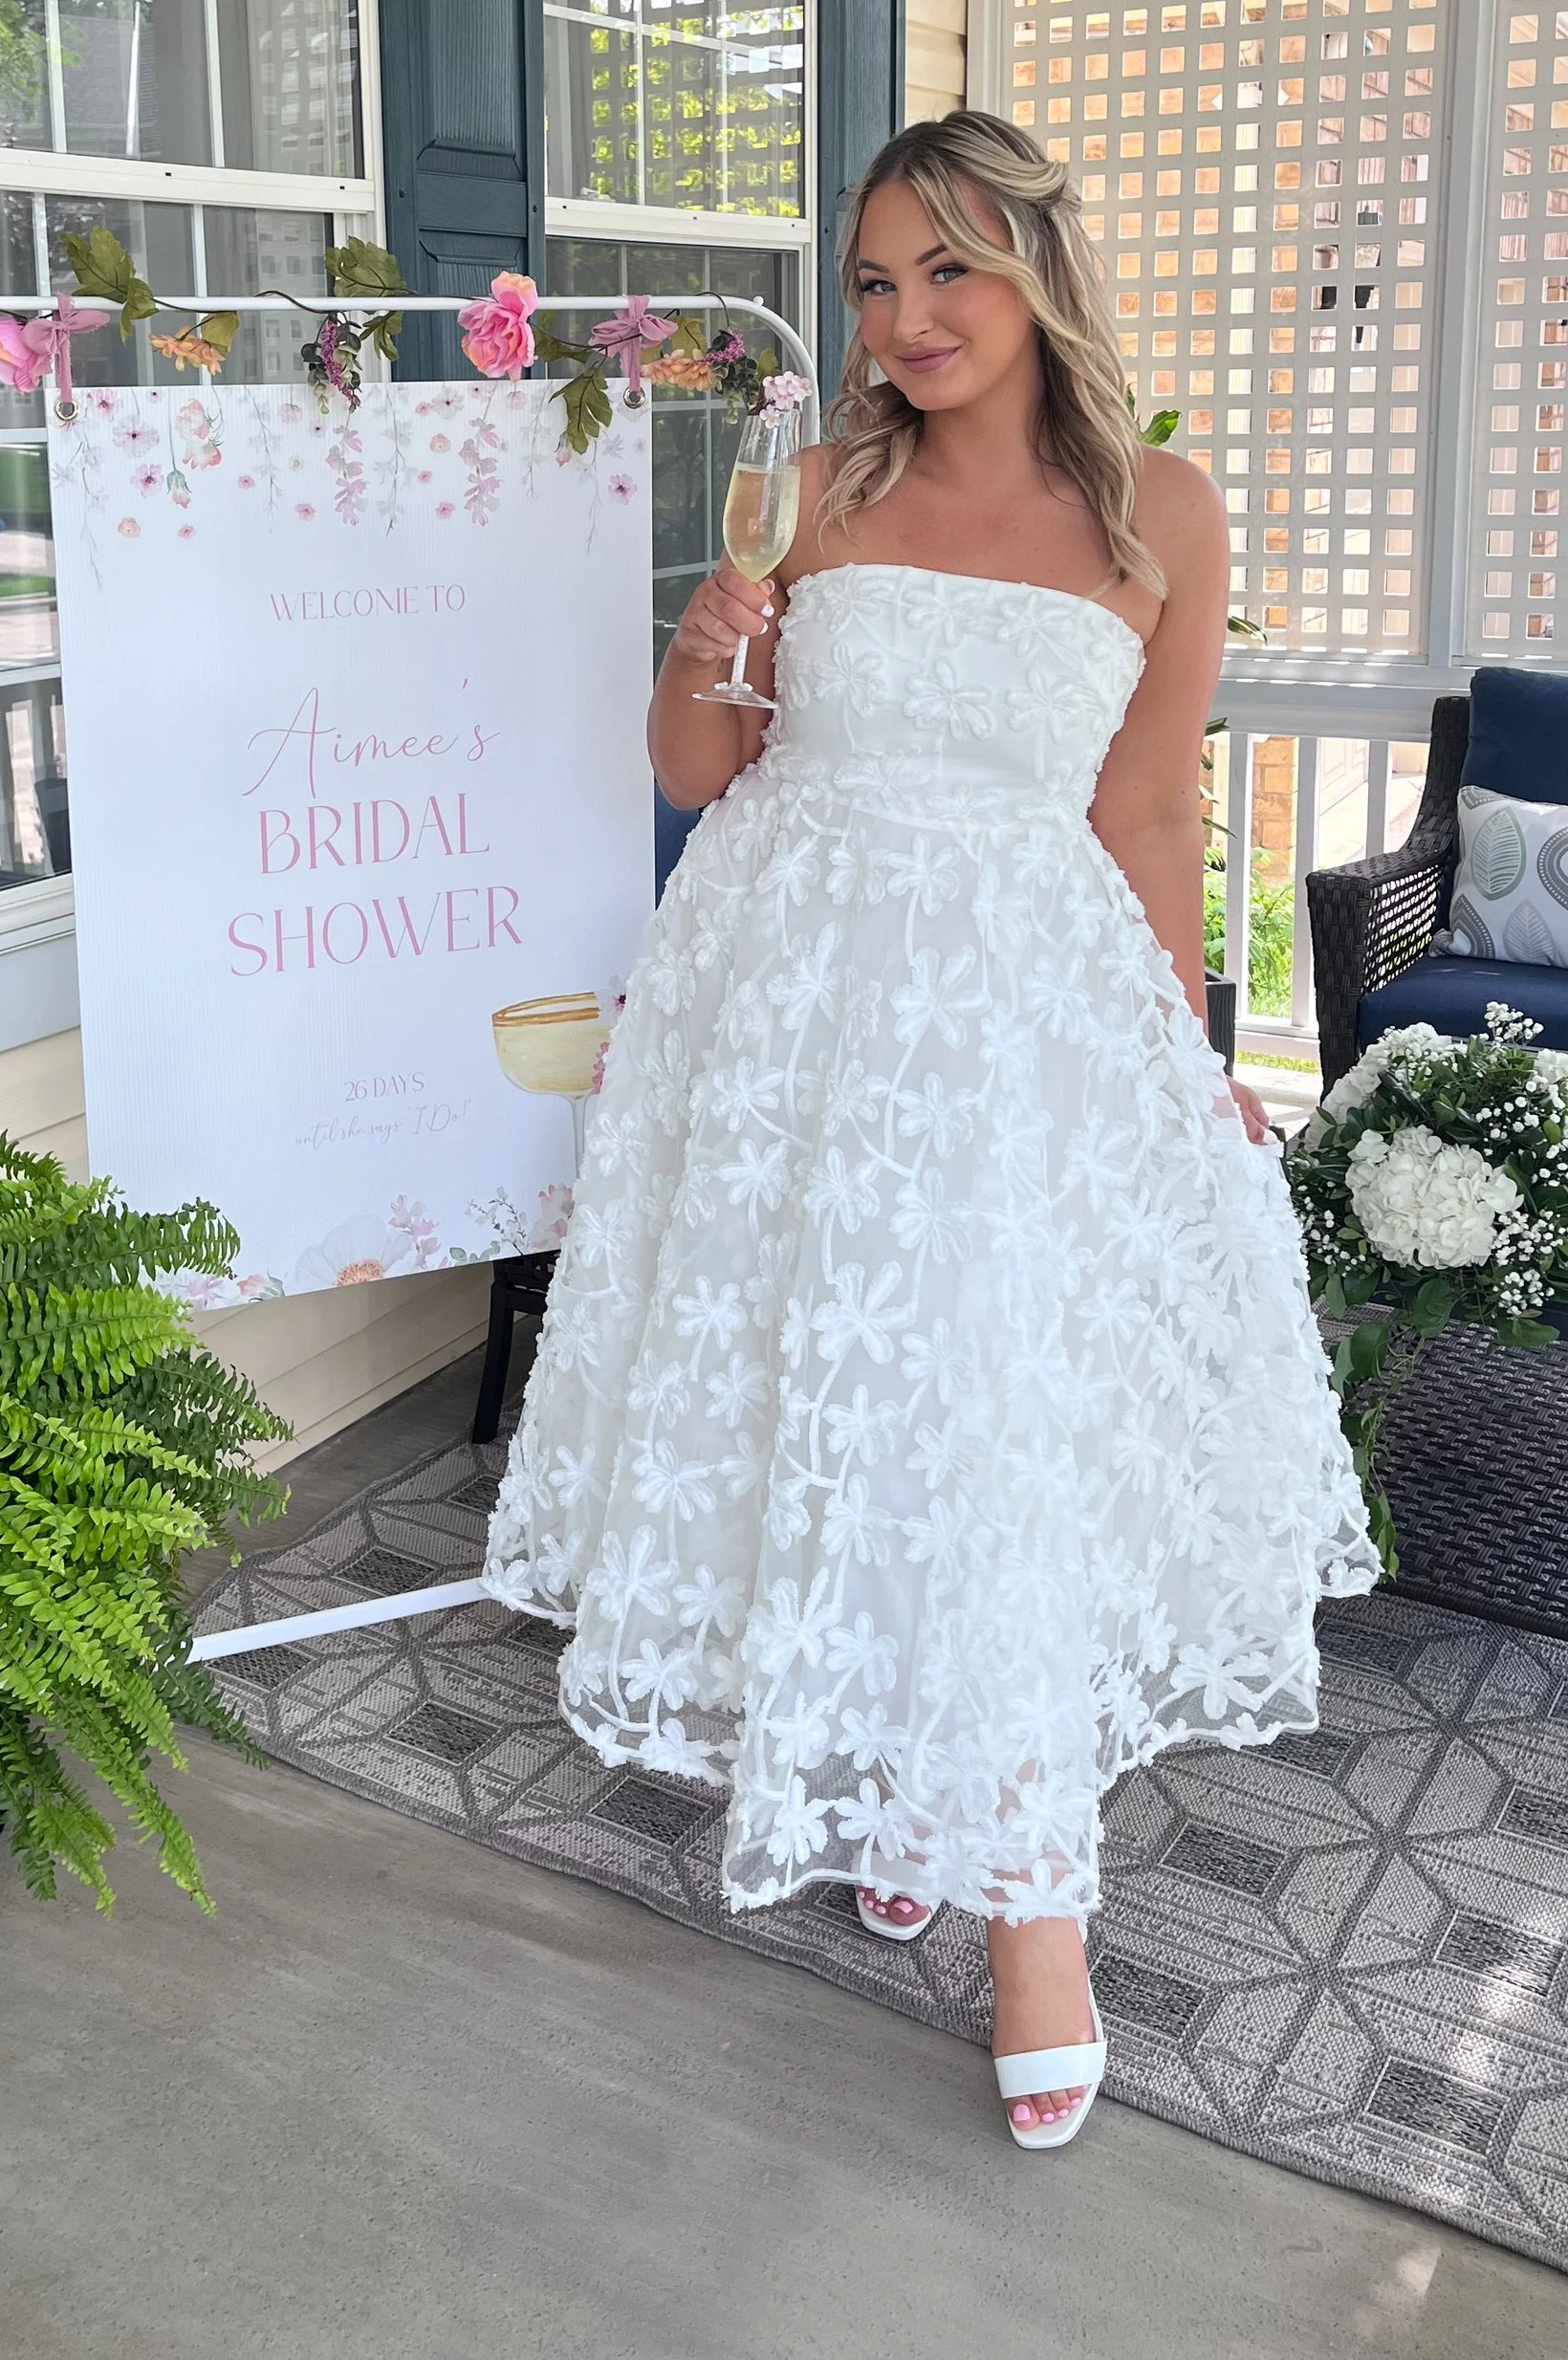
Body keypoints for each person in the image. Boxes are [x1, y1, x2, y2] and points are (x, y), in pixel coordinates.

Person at [483, 112, 1377, 2150]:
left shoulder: (1159, 509)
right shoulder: (808, 489)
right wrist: (698, 655)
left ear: (1033, 268)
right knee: (837, 1395)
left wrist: (1185, 1051)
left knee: (987, 1411)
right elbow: (700, 767)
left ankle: (1031, 1909)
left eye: (944, 272)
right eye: (874, 281)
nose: (903, 319)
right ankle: (899, 1771)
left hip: (1006, 1015)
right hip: (789, 1002)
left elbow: (1147, 816)